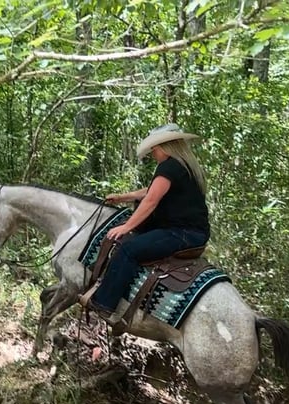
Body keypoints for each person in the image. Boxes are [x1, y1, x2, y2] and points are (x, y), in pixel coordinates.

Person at [87, 123, 210, 322]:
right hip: (194, 232)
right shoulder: (185, 166)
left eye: (155, 148)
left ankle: (103, 304)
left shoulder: (169, 166)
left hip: (181, 233)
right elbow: (151, 190)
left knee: (129, 249)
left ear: (165, 147)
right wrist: (122, 197)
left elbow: (151, 200)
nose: (153, 152)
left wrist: (127, 227)